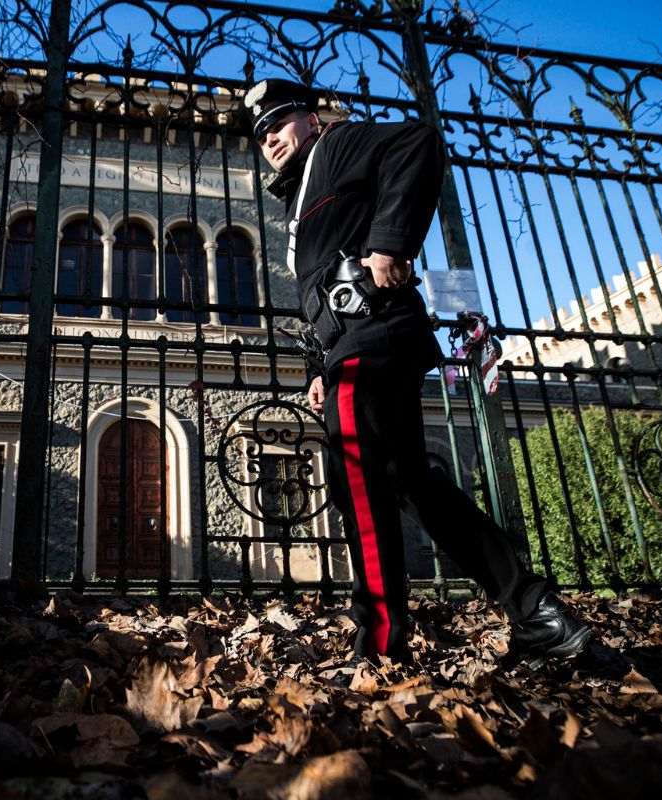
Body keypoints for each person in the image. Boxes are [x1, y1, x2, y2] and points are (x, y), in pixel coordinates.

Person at [244, 78, 590, 668]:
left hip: (371, 341)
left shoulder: (338, 145)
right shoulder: (304, 189)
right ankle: (538, 614)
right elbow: (318, 287)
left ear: (309, 117)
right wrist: (318, 365)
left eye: (279, 122)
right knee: (413, 484)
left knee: (359, 484)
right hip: (357, 348)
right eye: (260, 133)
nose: (270, 137)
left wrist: (390, 245)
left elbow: (419, 143)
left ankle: (379, 643)